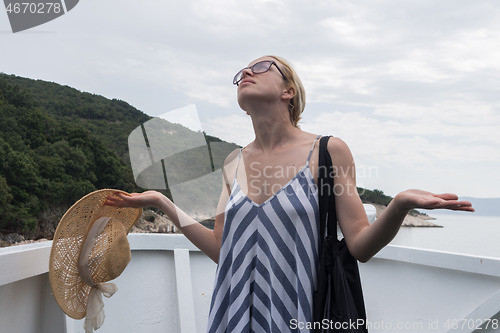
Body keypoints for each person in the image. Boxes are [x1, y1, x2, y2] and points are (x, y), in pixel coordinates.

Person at [105, 55, 474, 332]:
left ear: (288, 91)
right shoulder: (233, 162)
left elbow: (360, 245)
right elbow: (223, 249)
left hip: (301, 313)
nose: (245, 73)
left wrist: (399, 204)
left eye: (261, 66)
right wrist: (163, 204)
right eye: (240, 74)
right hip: (232, 314)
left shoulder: (329, 151)